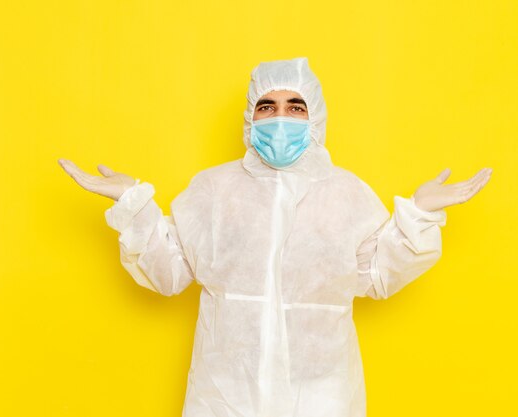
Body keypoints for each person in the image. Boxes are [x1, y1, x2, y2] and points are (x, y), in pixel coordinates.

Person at [58, 57, 492, 417]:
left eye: (295, 106)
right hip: (226, 392)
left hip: (320, 392)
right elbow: (169, 272)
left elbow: (377, 274)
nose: (280, 117)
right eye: (266, 106)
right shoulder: (213, 190)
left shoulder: (347, 193)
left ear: (315, 116)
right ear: (250, 116)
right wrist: (134, 204)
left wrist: (419, 214)